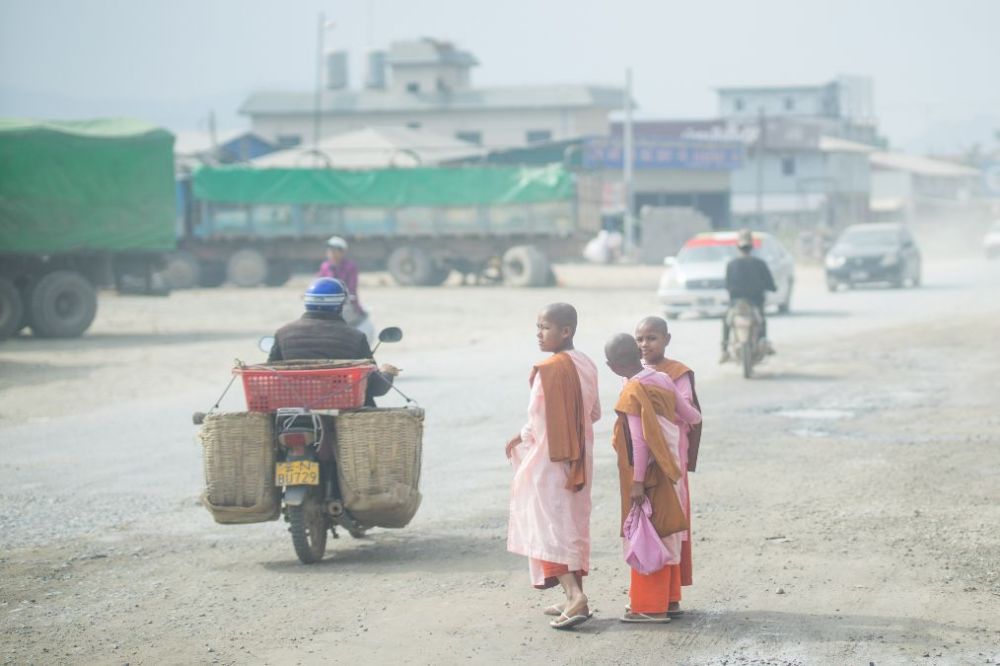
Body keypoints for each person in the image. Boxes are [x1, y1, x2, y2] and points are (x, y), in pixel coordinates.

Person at [506, 303, 601, 631]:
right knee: (571, 525)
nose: (539, 334)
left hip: (551, 461)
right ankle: (573, 595)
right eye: (538, 327)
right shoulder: (586, 363)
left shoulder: (549, 370)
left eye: (545, 327)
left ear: (566, 331)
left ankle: (575, 597)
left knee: (549, 527)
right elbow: (595, 413)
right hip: (581, 458)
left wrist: (519, 438)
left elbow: (536, 422)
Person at [605, 333, 701, 623]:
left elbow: (640, 441)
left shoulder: (632, 390)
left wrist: (637, 481)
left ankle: (649, 606)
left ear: (612, 366)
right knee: (667, 529)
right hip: (672, 466)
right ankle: (669, 600)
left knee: (648, 533)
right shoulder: (661, 379)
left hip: (649, 472)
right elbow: (693, 417)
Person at [634, 315, 703, 616]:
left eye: (651, 338)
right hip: (643, 462)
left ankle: (664, 598)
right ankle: (667, 596)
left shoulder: (677, 373)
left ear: (666, 339)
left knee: (669, 526)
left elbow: (686, 412)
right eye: (639, 339)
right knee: (658, 526)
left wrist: (654, 406)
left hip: (672, 458)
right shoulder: (634, 373)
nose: (645, 345)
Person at [267, 277, 398, 407]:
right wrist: (387, 373)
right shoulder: (355, 337)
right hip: (343, 412)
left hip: (292, 410)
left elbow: (269, 378)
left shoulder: (283, 334)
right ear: (340, 306)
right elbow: (375, 387)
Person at [721, 228, 777, 363]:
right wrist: (772, 288)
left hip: (736, 304)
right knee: (762, 320)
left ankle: (724, 350)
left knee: (726, 322)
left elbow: (728, 285)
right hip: (755, 304)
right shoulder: (760, 264)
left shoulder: (731, 264)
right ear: (752, 246)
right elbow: (770, 284)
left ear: (738, 246)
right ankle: (764, 342)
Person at [317, 236, 374, 344]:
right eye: (329, 250)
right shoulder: (325, 266)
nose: (331, 253)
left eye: (334, 250)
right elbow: (318, 282)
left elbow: (352, 287)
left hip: (347, 303)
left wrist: (346, 296)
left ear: (342, 252)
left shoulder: (350, 267)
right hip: (328, 304)